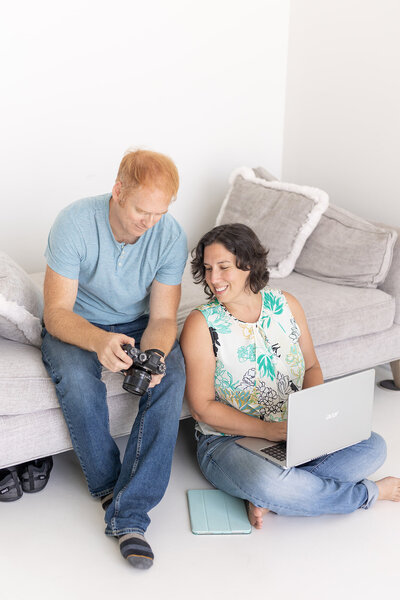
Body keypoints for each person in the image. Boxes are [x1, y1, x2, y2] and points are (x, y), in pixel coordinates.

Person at [180, 223, 400, 529]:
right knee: (267, 482)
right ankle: (365, 494)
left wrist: (313, 422)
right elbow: (202, 407)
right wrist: (267, 431)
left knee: (373, 447)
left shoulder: (285, 305)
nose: (213, 278)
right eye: (207, 268)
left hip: (294, 435)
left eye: (223, 267)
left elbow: (311, 367)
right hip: (229, 442)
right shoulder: (201, 324)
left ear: (248, 265)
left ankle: (279, 496)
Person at [41, 149, 187, 569]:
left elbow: (162, 317)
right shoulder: (75, 222)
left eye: (159, 212)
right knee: (75, 374)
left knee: (171, 374)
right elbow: (56, 315)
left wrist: (155, 356)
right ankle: (110, 486)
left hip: (139, 322)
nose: (150, 222)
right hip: (77, 322)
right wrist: (100, 341)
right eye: (142, 209)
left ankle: (130, 513)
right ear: (118, 191)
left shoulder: (170, 234)